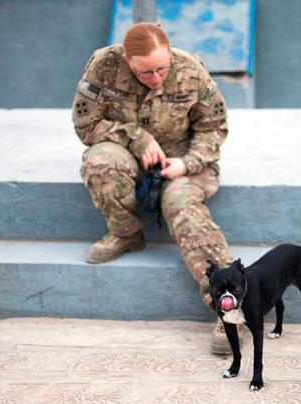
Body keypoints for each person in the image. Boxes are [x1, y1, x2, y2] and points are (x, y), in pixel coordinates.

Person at [71, 22, 240, 354]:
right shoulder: (103, 65)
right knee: (102, 162)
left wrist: (187, 164)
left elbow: (214, 128)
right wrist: (136, 137)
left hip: (183, 160)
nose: (157, 78)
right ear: (126, 59)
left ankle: (231, 307)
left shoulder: (191, 69)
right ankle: (126, 234)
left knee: (179, 201)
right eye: (145, 73)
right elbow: (85, 125)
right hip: (129, 152)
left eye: (162, 68)